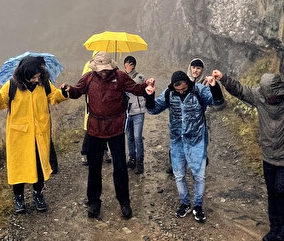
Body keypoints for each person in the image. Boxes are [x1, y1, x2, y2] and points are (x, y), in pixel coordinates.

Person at [211, 67, 284, 241]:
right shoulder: (260, 95)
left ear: (279, 91)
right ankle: (275, 229)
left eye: (270, 96)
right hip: (269, 155)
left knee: (282, 190)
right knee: (272, 192)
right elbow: (240, 90)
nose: (267, 98)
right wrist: (223, 78)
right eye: (265, 95)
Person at [62, 52, 154, 219]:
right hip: (95, 129)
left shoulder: (119, 76)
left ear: (111, 66)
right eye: (100, 70)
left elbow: (135, 89)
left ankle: (124, 202)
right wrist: (68, 90)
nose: (103, 72)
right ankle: (94, 202)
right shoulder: (89, 78)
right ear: (95, 68)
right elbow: (77, 92)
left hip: (116, 128)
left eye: (106, 69)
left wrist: (147, 87)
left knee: (120, 167)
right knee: (94, 167)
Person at [0, 55, 67, 214]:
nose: (36, 79)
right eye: (33, 77)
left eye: (38, 75)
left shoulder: (44, 83)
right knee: (19, 168)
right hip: (20, 136)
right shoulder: (11, 85)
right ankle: (18, 197)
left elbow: (53, 97)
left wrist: (63, 93)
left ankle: (38, 194)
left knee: (39, 166)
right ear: (24, 74)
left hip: (40, 134)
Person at [146, 70, 214, 223]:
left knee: (199, 176)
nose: (181, 92)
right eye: (178, 90)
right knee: (179, 175)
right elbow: (153, 109)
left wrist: (214, 87)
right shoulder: (169, 94)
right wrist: (149, 95)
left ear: (188, 84)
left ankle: (197, 205)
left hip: (197, 140)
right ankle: (185, 203)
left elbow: (217, 103)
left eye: (184, 89)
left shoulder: (199, 90)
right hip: (177, 141)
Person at [123, 56, 147, 175]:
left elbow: (134, 86)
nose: (127, 65)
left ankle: (139, 161)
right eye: (126, 63)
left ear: (133, 65)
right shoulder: (122, 77)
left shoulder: (140, 77)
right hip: (127, 112)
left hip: (138, 111)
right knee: (130, 137)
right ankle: (131, 159)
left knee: (138, 137)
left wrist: (125, 75)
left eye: (129, 63)